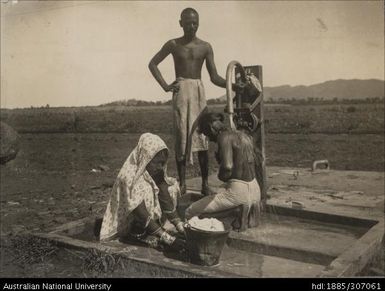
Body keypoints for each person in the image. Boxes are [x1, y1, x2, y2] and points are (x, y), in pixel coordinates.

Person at [149, 7, 232, 196]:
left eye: (194, 23)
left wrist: (231, 85)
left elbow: (214, 76)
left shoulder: (205, 47)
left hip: (198, 93)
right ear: (181, 23)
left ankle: (204, 184)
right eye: (187, 23)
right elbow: (152, 63)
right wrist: (165, 85)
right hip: (181, 92)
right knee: (181, 136)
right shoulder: (172, 44)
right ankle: (183, 183)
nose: (191, 26)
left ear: (199, 23)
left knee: (202, 137)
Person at [99, 133, 185, 250]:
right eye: (157, 163)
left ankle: (153, 229)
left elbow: (164, 194)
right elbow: (140, 213)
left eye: (163, 163)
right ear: (146, 158)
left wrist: (179, 225)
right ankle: (138, 234)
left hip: (144, 219)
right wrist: (167, 238)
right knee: (146, 191)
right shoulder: (128, 177)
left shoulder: (153, 170)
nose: (161, 167)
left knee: (171, 187)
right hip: (130, 222)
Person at [185, 112, 261, 222]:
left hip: (239, 194)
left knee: (190, 212)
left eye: (206, 134)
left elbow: (227, 168)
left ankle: (234, 212)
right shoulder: (242, 135)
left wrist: (221, 173)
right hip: (255, 190)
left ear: (211, 128)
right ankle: (242, 211)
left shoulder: (223, 137)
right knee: (221, 194)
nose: (209, 140)